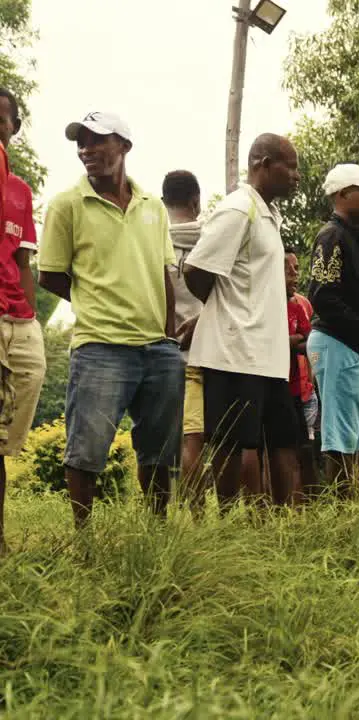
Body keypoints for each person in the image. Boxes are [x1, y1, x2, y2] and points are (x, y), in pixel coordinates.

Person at [38, 112, 183, 527]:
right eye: (81, 143)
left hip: (157, 347)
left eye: (97, 140)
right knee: (87, 451)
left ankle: (156, 529)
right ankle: (82, 537)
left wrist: (169, 335)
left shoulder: (153, 207)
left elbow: (163, 273)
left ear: (124, 146)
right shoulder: (66, 205)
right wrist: (96, 298)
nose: (86, 150)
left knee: (159, 452)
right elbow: (49, 274)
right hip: (99, 345)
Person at [184, 133, 303, 509]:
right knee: (231, 442)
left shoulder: (269, 214)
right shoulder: (238, 209)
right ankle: (227, 524)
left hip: (270, 353)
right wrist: (221, 312)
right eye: (291, 166)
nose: (297, 176)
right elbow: (197, 269)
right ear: (263, 165)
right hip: (235, 350)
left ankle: (287, 522)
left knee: (284, 438)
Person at [308, 163, 359, 494]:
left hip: (357, 350)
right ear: (343, 195)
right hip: (337, 342)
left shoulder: (355, 237)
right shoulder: (331, 236)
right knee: (340, 436)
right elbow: (322, 295)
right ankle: (341, 510)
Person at [0, 87, 44, 545]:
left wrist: (28, 315)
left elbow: (23, 259)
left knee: (5, 441)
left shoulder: (20, 191)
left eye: (1, 119)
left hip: (18, 319)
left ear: (13, 126)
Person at [161, 170, 208, 508]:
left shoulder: (152, 239)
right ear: (196, 201)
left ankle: (178, 515)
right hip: (209, 351)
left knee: (169, 442)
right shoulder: (211, 238)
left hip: (163, 350)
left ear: (163, 202)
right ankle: (201, 516)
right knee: (205, 441)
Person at [285, 252, 319, 496]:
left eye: (297, 269)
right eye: (289, 270)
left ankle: (301, 508)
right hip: (275, 387)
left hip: (302, 391)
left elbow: (308, 342)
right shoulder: (265, 303)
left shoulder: (301, 304)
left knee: (303, 451)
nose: (295, 275)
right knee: (277, 452)